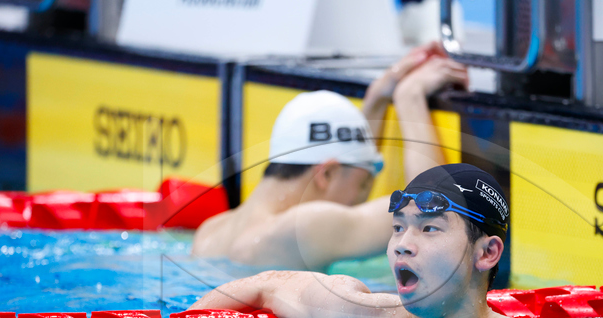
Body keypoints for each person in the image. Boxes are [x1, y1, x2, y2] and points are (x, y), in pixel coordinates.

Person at [190, 164, 568, 318]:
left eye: (429, 229)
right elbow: (265, 284)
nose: (402, 244)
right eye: (398, 227)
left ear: (487, 253)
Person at [192, 43, 469, 271]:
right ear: (325, 174)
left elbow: (350, 165)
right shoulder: (302, 228)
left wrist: (377, 97)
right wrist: (410, 97)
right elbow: (430, 208)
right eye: (363, 185)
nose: (361, 199)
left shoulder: (210, 231)